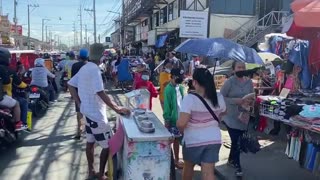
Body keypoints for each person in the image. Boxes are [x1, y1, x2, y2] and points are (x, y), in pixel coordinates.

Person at [68, 43, 130, 180]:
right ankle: (101, 174)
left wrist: (79, 102)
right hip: (97, 116)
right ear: (102, 56)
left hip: (87, 113)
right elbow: (100, 93)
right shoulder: (94, 70)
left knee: (90, 142)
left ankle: (91, 171)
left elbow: (70, 84)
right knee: (108, 145)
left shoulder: (85, 68)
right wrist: (117, 108)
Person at [177, 68, 226, 180]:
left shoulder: (190, 99)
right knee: (208, 173)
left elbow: (181, 124)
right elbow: (223, 112)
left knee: (189, 167)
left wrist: (180, 128)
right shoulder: (218, 97)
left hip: (193, 141)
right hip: (214, 139)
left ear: (195, 82)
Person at [220, 61, 254, 177]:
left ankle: (230, 159)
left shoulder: (249, 82)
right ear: (233, 69)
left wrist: (250, 101)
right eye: (239, 67)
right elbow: (221, 97)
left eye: (243, 67)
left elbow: (252, 95)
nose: (241, 69)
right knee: (236, 141)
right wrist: (236, 101)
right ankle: (237, 166)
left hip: (243, 116)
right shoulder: (229, 82)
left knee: (238, 141)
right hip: (230, 116)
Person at [163, 68, 185, 170]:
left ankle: (179, 159)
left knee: (180, 140)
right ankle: (173, 160)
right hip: (172, 120)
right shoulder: (168, 89)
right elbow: (167, 106)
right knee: (173, 140)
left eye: (181, 77)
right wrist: (167, 120)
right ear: (172, 76)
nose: (180, 79)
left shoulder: (180, 87)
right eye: (178, 77)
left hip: (182, 118)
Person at [0, 48, 25, 131]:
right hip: (4, 96)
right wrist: (27, 86)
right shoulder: (7, 69)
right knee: (19, 103)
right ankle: (19, 123)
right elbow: (9, 82)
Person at [70, 48, 89, 140]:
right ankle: (89, 131)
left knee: (79, 111)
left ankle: (79, 131)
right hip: (89, 92)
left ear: (79, 57)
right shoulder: (90, 65)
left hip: (78, 92)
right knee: (90, 111)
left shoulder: (75, 65)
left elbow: (72, 80)